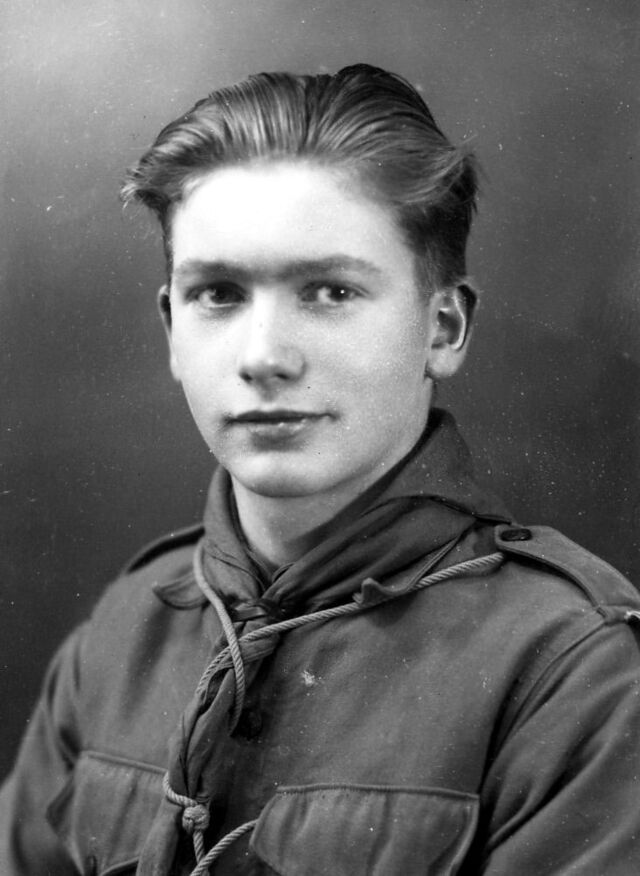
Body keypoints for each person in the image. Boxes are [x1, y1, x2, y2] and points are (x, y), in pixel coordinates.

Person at [1, 64, 639, 876]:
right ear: (171, 330)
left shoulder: (571, 669)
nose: (264, 356)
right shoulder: (121, 634)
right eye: (218, 294)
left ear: (443, 328)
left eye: (331, 292)